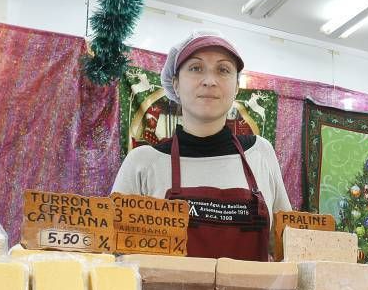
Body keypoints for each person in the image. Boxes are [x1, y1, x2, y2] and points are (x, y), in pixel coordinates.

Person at [111, 30, 291, 261]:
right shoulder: (143, 162)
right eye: (196, 68)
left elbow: (287, 248)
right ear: (175, 84)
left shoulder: (260, 153)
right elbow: (116, 256)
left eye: (223, 70)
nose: (209, 81)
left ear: (236, 87)